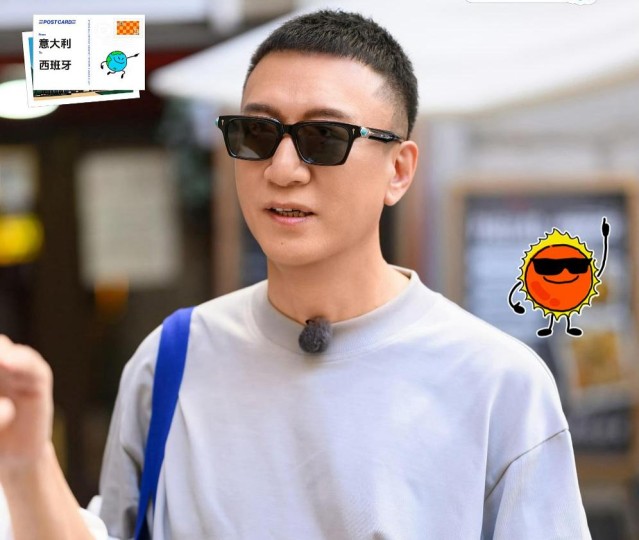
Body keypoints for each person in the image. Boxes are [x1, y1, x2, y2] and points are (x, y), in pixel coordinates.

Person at [0, 9, 591, 540]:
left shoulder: (498, 383)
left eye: (324, 137)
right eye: (257, 133)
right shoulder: (171, 361)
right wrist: (27, 462)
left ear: (399, 170)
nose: (283, 169)